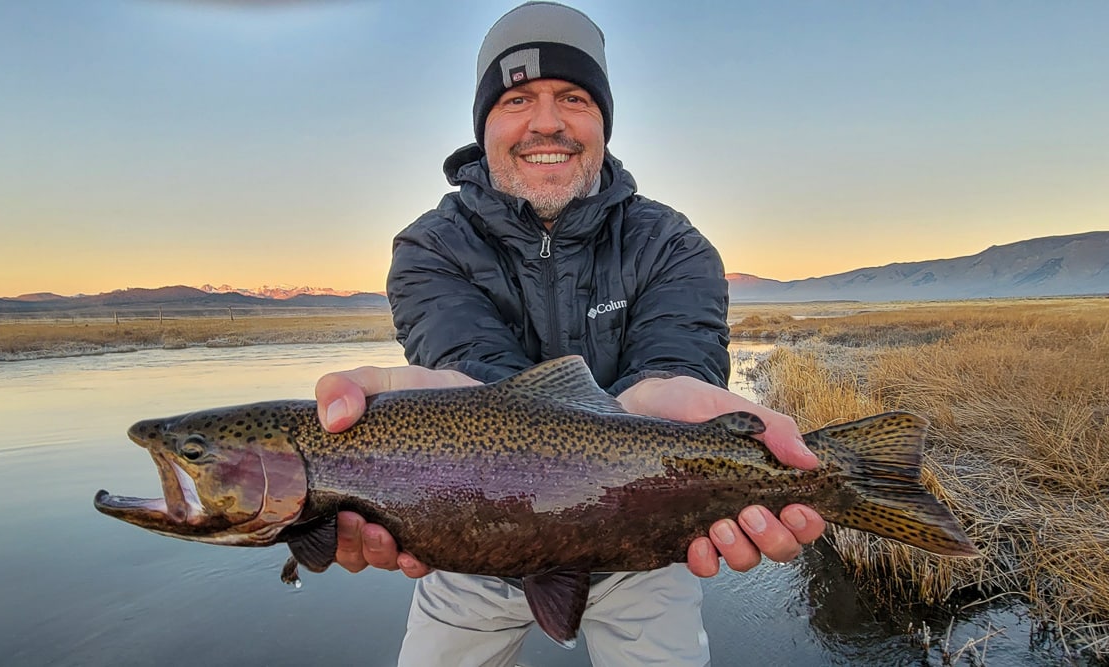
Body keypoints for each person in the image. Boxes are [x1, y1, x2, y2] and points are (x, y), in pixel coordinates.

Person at [314, 2, 826, 665]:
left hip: (645, 536)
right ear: (485, 124)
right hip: (468, 540)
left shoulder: (672, 244)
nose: (546, 121)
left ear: (604, 122)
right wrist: (444, 403)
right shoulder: (430, 247)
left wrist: (667, 395)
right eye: (517, 98)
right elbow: (473, 376)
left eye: (574, 97)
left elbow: (676, 366)